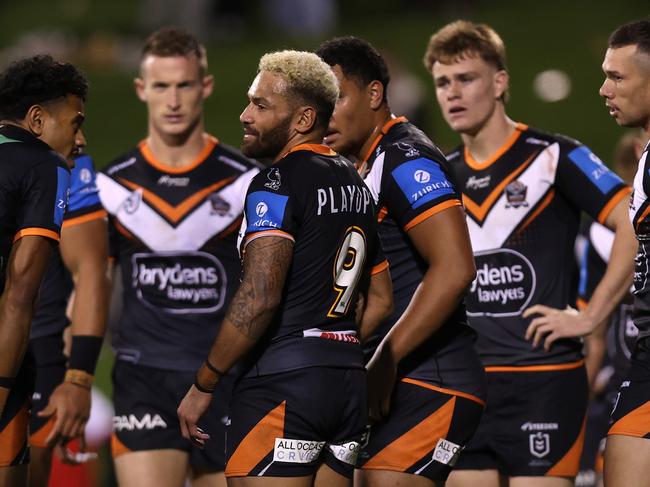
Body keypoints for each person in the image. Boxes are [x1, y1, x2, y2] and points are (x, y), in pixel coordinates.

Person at [424, 20, 637, 487]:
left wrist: (591, 315)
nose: (452, 93)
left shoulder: (557, 156)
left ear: (499, 82)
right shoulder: (436, 177)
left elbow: (633, 222)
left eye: (466, 78)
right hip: (463, 385)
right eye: (442, 82)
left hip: (544, 380)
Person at [177, 49, 392, 487]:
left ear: (302, 119)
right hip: (347, 384)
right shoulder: (357, 183)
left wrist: (204, 383)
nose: (244, 115)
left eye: (260, 105)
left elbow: (259, 296)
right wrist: (332, 351)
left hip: (283, 383)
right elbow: (382, 297)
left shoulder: (275, 183)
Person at [317, 36, 487, 486]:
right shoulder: (358, 168)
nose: (323, 114)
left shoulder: (405, 158)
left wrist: (385, 359)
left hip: (427, 377)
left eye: (335, 98)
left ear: (374, 94)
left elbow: (454, 268)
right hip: (386, 381)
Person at [96, 27, 260, 487]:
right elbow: (90, 288)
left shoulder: (247, 183)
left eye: (184, 85)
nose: (173, 100)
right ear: (141, 89)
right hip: (142, 379)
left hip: (225, 379)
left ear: (204, 87)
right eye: (162, 86)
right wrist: (71, 374)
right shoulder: (111, 188)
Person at [524, 19, 650, 487]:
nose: (603, 89)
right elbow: (636, 238)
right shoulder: (645, 159)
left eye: (617, 77)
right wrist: (592, 316)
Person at [0, 55, 87, 487]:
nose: (81, 139)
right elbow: (20, 294)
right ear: (37, 120)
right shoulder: (45, 166)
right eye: (75, 123)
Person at [28, 150, 109, 487]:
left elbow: (89, 272)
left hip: (37, 361)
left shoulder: (72, 167)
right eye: (74, 122)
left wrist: (75, 379)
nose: (81, 139)